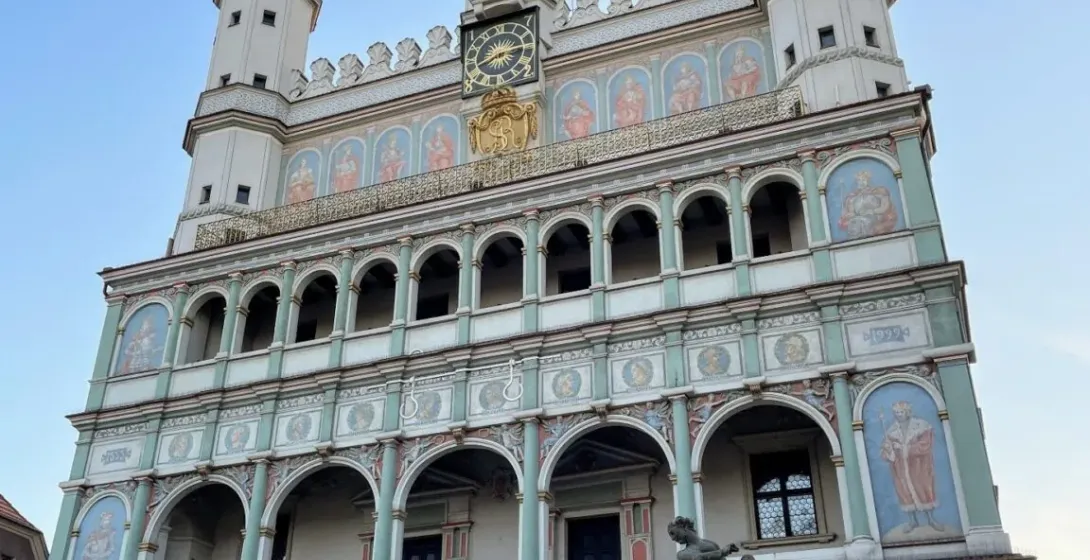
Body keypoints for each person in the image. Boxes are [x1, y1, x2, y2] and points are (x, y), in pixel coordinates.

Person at [667, 516, 747, 560]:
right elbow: (698, 557)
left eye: (672, 533)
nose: (672, 539)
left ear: (683, 527)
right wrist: (722, 552)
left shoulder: (711, 544)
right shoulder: (682, 554)